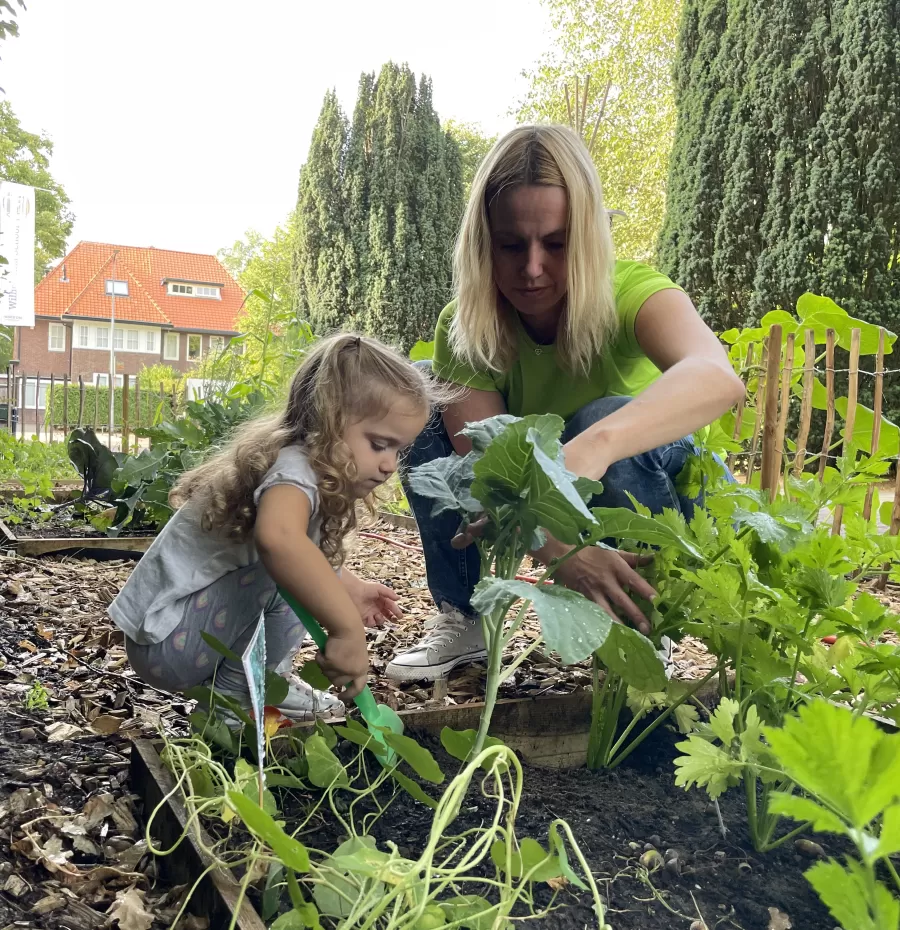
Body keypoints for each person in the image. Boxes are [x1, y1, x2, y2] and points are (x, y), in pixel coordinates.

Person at [386, 124, 745, 682]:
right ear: (483, 244)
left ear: (586, 239)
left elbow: (717, 378)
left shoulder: (633, 293)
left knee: (600, 417)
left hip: (662, 494)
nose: (532, 268)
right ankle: (464, 616)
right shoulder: (468, 329)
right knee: (420, 398)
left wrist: (595, 445)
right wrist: (561, 551)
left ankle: (639, 629)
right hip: (555, 515)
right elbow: (485, 477)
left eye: (555, 244)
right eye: (511, 245)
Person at [109, 334, 441, 720]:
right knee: (283, 571)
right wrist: (346, 629)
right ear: (328, 422)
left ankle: (263, 684)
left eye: (398, 451)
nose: (389, 465)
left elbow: (295, 550)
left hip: (183, 633)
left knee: (294, 570)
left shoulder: (304, 470)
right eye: (379, 444)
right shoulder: (293, 472)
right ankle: (238, 704)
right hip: (168, 638)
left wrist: (349, 588)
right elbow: (279, 542)